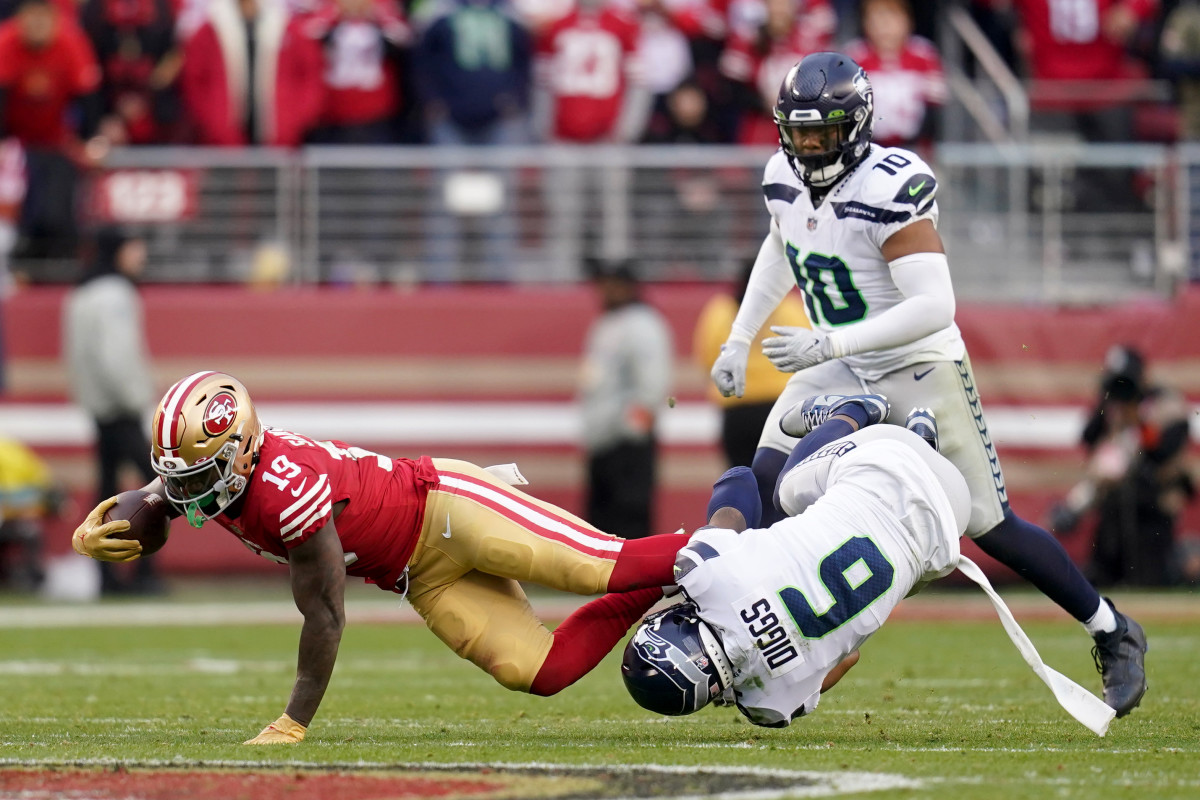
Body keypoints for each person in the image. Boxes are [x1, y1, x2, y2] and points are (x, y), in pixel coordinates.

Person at [706, 52, 1148, 716]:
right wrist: (740, 337)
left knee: (987, 524)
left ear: (854, 128)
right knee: (766, 481)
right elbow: (781, 243)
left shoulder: (890, 184)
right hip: (836, 361)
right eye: (796, 133)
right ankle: (760, 639)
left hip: (916, 362)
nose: (807, 147)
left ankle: (1111, 630)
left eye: (821, 134)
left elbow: (934, 304)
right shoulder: (783, 178)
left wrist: (831, 340)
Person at [70, 371, 690, 743]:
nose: (182, 494)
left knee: (606, 566)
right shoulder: (221, 472)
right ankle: (675, 583)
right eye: (178, 478)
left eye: (196, 475)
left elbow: (327, 616)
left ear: (238, 451)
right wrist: (103, 525)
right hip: (420, 574)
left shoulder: (285, 488)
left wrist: (294, 719)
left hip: (448, 510)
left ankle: (733, 531)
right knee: (539, 672)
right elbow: (163, 496)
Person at [620, 395, 1120, 736]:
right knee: (786, 489)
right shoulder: (709, 577)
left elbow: (847, 659)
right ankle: (857, 411)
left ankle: (921, 443)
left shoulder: (769, 707)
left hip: (948, 529)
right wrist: (707, 549)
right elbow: (739, 482)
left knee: (899, 580)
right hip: (888, 459)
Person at [62, 229, 164, 596]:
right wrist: (136, 398)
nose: (141, 255)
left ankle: (105, 576)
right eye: (135, 248)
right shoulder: (115, 295)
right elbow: (116, 356)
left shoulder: (83, 292)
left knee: (106, 489)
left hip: (99, 407)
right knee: (156, 488)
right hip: (120, 406)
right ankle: (143, 572)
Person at [1050, 344, 1195, 586]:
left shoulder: (1164, 403)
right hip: (1112, 507)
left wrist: (1139, 420)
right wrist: (1107, 405)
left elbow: (1164, 453)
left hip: (1153, 506)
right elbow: (1088, 436)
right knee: (1099, 579)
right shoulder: (1112, 406)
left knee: (1152, 579)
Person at [580, 260, 673, 539]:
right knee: (602, 521)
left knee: (629, 519)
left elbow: (652, 384)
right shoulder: (608, 322)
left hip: (626, 442)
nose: (602, 291)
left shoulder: (642, 324)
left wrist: (632, 430)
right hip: (604, 440)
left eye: (609, 284)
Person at [693, 257, 808, 468]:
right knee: (780, 479)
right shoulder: (790, 308)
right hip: (780, 405)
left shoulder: (720, 310)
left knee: (740, 480)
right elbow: (808, 357)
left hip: (737, 408)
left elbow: (707, 358)